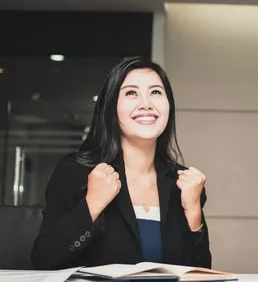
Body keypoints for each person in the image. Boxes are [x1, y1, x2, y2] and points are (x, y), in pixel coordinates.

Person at [32, 57, 211, 269]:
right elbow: (43, 261)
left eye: (155, 92)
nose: (146, 104)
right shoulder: (76, 172)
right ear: (111, 107)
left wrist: (193, 211)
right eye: (131, 93)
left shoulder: (182, 183)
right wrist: (93, 204)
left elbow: (201, 273)